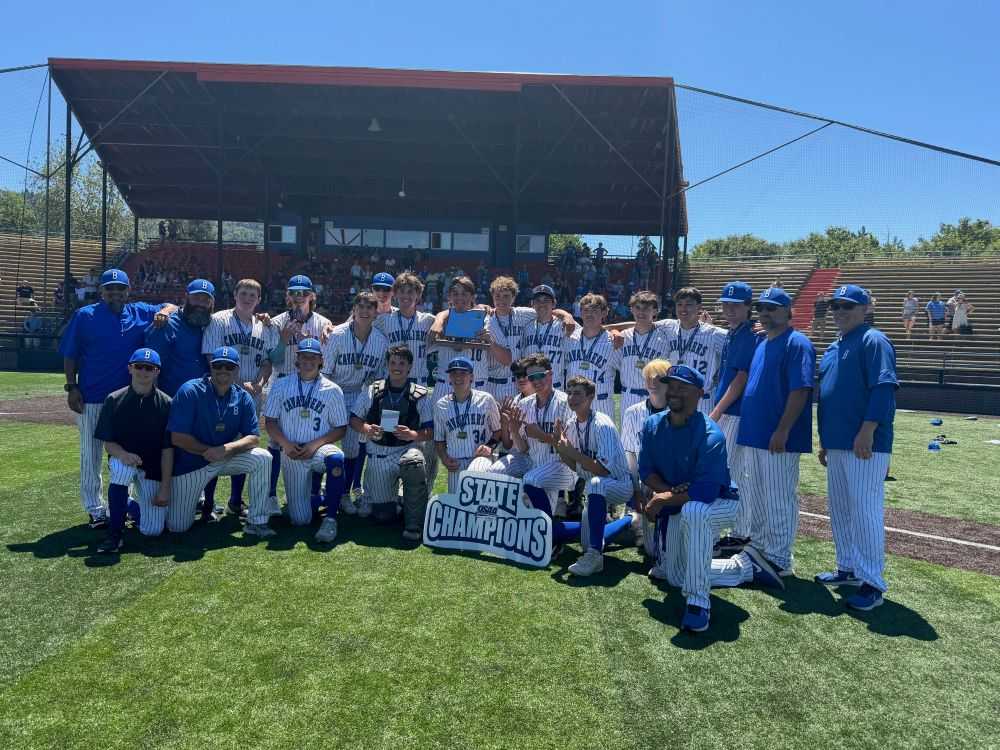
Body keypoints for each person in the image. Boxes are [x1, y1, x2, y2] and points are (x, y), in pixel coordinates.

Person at [640, 365, 783, 634]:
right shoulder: (652, 426)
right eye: (672, 385)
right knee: (675, 576)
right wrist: (664, 492)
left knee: (695, 511)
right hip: (678, 500)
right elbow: (646, 470)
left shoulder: (710, 434)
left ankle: (697, 603)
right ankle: (745, 566)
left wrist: (663, 498)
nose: (675, 391)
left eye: (683, 387)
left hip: (722, 503)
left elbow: (705, 492)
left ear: (699, 394)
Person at [58, 269, 175, 528]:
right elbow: (70, 354)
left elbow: (171, 305)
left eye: (120, 288)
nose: (115, 293)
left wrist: (164, 313)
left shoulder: (140, 311)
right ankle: (95, 508)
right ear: (101, 291)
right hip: (92, 397)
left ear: (128, 290)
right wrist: (71, 386)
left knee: (126, 454)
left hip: (127, 401)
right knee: (91, 455)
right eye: (110, 288)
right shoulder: (85, 315)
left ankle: (125, 504)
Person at [816, 284, 898, 611]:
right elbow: (828, 397)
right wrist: (825, 440)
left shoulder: (873, 339)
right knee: (841, 509)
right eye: (836, 306)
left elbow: (883, 388)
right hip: (837, 443)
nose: (840, 311)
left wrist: (868, 430)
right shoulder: (835, 346)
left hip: (865, 443)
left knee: (864, 512)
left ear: (866, 308)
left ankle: (872, 583)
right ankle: (847, 568)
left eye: (848, 305)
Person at [730, 287, 815, 577]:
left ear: (788, 312)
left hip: (777, 436)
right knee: (755, 495)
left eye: (773, 308)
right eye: (762, 308)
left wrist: (783, 429)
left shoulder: (797, 342)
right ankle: (760, 548)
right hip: (754, 432)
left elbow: (800, 390)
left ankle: (780, 558)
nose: (765, 314)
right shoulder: (763, 342)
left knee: (778, 497)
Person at [166, 347, 273, 537]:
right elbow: (177, 437)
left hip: (223, 458)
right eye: (218, 365)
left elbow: (254, 437)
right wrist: (209, 451)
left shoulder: (242, 397)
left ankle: (257, 522)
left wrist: (225, 449)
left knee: (263, 457)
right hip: (192, 463)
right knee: (178, 526)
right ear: (211, 366)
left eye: (229, 366)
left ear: (237, 370)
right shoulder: (190, 390)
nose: (223, 370)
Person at [202, 278, 280, 516]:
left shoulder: (262, 325)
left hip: (251, 394)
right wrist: (237, 383)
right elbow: (210, 358)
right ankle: (208, 503)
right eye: (244, 293)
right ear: (235, 295)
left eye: (253, 295)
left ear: (259, 300)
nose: (248, 299)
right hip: (221, 391)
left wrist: (259, 383)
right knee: (217, 442)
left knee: (243, 446)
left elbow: (268, 361)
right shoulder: (218, 320)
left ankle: (236, 501)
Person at [263, 338, 348, 543]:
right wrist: (284, 443)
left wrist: (314, 445)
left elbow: (341, 428)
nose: (308, 361)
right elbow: (270, 422)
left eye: (313, 357)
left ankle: (330, 518)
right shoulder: (281, 385)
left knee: (336, 459)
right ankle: (318, 499)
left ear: (321, 360)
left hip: (319, 448)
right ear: (297, 360)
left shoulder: (332, 389)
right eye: (304, 357)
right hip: (291, 452)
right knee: (300, 520)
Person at [93, 348, 173, 552]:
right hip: (124, 458)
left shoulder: (166, 403)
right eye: (139, 366)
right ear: (130, 368)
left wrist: (165, 486)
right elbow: (107, 442)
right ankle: (114, 534)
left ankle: (127, 504)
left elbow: (167, 449)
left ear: (157, 372)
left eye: (149, 368)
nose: (143, 371)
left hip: (152, 467)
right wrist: (123, 455)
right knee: (120, 469)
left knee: (153, 530)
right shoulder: (114, 399)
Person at [350, 345, 433, 540]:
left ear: (410, 367)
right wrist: (367, 429)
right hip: (381, 453)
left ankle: (413, 523)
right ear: (387, 365)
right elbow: (354, 419)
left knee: (413, 463)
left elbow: (430, 431)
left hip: (407, 449)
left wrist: (413, 434)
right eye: (393, 362)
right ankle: (399, 500)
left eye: (402, 363)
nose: (397, 367)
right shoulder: (373, 390)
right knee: (383, 515)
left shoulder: (420, 394)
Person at [554, 376, 634, 577]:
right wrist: (560, 447)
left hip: (619, 484)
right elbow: (574, 465)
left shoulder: (602, 423)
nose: (572, 397)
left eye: (578, 393)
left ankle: (595, 556)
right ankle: (629, 520)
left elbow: (602, 470)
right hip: (595, 490)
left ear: (591, 397)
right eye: (569, 393)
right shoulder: (572, 424)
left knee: (596, 482)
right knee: (586, 539)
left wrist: (571, 452)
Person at [266, 275, 333, 507]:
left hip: (311, 387)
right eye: (294, 293)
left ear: (312, 296)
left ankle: (314, 491)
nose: (298, 298)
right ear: (287, 296)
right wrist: (284, 340)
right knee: (276, 443)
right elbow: (273, 360)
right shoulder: (275, 322)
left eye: (303, 293)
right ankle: (271, 495)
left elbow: (327, 359)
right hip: (283, 382)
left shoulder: (323, 323)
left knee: (312, 438)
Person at [322, 291, 389, 515]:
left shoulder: (380, 340)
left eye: (369, 307)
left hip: (360, 395)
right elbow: (325, 372)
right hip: (333, 392)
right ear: (354, 309)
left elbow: (379, 378)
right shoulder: (338, 334)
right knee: (322, 444)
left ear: (376, 312)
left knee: (352, 448)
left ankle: (343, 494)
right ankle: (319, 490)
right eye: (360, 306)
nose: (364, 311)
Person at [708, 281, 759, 552]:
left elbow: (741, 377)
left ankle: (742, 531)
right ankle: (740, 530)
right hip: (729, 410)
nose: (729, 309)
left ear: (748, 307)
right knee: (733, 472)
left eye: (736, 305)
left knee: (733, 472)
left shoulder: (748, 334)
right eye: (726, 304)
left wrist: (717, 411)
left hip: (734, 412)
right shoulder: (735, 332)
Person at [375, 272, 438, 485]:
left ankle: (424, 489)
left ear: (418, 295)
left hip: (419, 387)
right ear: (395, 295)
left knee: (424, 440)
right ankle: (389, 488)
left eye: (410, 292)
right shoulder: (384, 320)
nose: (405, 296)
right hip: (392, 389)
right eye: (401, 292)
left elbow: (451, 317)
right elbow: (357, 322)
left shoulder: (429, 320)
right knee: (391, 434)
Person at [519, 353, 578, 525]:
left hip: (564, 468)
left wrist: (541, 435)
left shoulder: (565, 403)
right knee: (540, 520)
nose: (536, 381)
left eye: (540, 375)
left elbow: (572, 448)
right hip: (538, 465)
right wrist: (514, 430)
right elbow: (523, 449)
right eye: (531, 377)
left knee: (531, 480)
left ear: (550, 374)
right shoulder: (524, 404)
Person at [621, 359, 670, 559]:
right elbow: (630, 455)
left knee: (656, 548)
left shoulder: (679, 411)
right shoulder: (633, 412)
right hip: (643, 481)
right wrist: (635, 491)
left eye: (659, 377)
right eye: (648, 377)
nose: (652, 381)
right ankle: (634, 515)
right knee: (648, 548)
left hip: (669, 481)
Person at [433, 357, 502, 494]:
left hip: (482, 459)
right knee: (457, 507)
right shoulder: (441, 405)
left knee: (479, 505)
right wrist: (444, 458)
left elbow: (498, 431)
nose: (458, 377)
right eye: (454, 373)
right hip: (456, 464)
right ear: (449, 378)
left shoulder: (486, 399)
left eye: (463, 373)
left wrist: (490, 446)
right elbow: (439, 440)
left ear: (472, 377)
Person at [656, 287, 727, 416]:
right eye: (679, 304)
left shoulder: (714, 334)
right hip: (675, 400)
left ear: (699, 307)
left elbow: (742, 340)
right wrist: (613, 330)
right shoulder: (668, 326)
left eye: (689, 304)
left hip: (703, 400)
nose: (683, 309)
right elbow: (640, 324)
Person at [608, 291, 669, 417]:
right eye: (637, 308)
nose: (641, 312)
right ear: (631, 310)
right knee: (629, 436)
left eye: (646, 308)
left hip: (654, 396)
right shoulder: (623, 336)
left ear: (655, 311)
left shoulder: (664, 338)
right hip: (628, 396)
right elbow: (617, 363)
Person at [562, 294, 617, 420]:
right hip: (573, 402)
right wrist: (567, 315)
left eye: (595, 311)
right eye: (586, 310)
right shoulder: (569, 337)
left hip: (601, 402)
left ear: (604, 313)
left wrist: (615, 330)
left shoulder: (613, 341)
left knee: (602, 438)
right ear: (580, 313)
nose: (589, 314)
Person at [517, 284, 577, 391]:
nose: (542, 304)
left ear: (554, 303)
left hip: (556, 387)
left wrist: (614, 331)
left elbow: (590, 330)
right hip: (531, 388)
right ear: (532, 304)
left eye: (546, 300)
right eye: (538, 300)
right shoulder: (526, 327)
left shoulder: (565, 324)